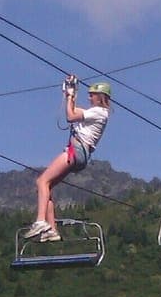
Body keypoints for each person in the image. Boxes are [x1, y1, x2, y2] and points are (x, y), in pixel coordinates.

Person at [23, 77, 112, 241]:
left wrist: (70, 95)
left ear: (100, 96)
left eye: (92, 95)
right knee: (46, 186)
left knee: (42, 181)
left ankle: (41, 221)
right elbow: (72, 111)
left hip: (76, 150)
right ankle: (52, 230)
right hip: (80, 154)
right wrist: (70, 94)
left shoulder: (99, 111)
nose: (89, 98)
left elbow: (70, 116)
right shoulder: (97, 114)